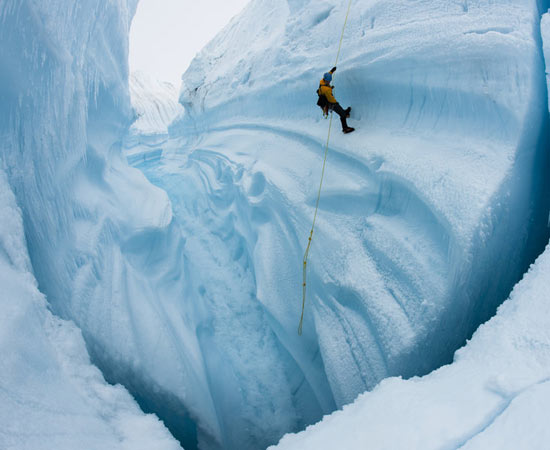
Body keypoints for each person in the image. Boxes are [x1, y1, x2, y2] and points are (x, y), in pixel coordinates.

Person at [317, 66, 354, 133]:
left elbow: (328, 74)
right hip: (329, 102)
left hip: (325, 98)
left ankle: (344, 112)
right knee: (340, 112)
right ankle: (345, 128)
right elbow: (331, 99)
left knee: (339, 108)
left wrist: (332, 71)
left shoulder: (322, 81)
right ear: (325, 80)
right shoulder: (326, 89)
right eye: (328, 81)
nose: (329, 82)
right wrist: (336, 102)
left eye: (329, 81)